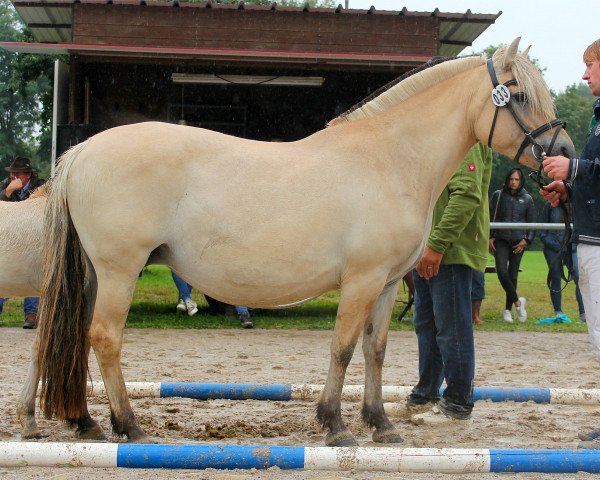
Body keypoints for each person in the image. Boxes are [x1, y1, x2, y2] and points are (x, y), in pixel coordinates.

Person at [404, 143, 492, 424]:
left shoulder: (466, 142)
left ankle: (457, 401)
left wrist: (437, 244)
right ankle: (426, 393)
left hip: (448, 250)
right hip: (427, 246)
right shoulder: (439, 136)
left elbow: (467, 195)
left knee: (451, 328)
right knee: (426, 325)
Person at [540, 38, 600, 447]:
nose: (584, 75)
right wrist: (569, 188)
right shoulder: (598, 118)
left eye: (590, 66)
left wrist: (574, 167)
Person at [0, 156, 45, 329]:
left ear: (26, 175)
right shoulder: (6, 185)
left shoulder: (40, 186)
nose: (12, 177)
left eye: (16, 174)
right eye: (11, 174)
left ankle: (31, 315)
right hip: (10, 237)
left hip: (32, 236)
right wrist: (8, 191)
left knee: (31, 272)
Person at [489, 168, 536, 323]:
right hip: (501, 239)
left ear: (521, 181)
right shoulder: (498, 195)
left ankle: (508, 310)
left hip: (518, 241)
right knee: (502, 272)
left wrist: (526, 240)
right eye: (511, 179)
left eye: (517, 179)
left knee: (513, 275)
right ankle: (518, 303)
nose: (513, 182)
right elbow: (490, 216)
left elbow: (532, 223)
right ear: (507, 179)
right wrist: (490, 236)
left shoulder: (528, 199)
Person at [539, 201, 585, 322]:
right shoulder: (549, 205)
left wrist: (571, 245)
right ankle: (558, 312)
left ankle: (583, 313)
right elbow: (543, 230)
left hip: (572, 247)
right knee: (555, 277)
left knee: (578, 276)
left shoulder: (577, 203)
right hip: (552, 246)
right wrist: (551, 243)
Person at [171, 270, 254, 328]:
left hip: (218, 269)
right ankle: (187, 300)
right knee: (180, 269)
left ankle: (186, 300)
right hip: (203, 270)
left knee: (233, 275)